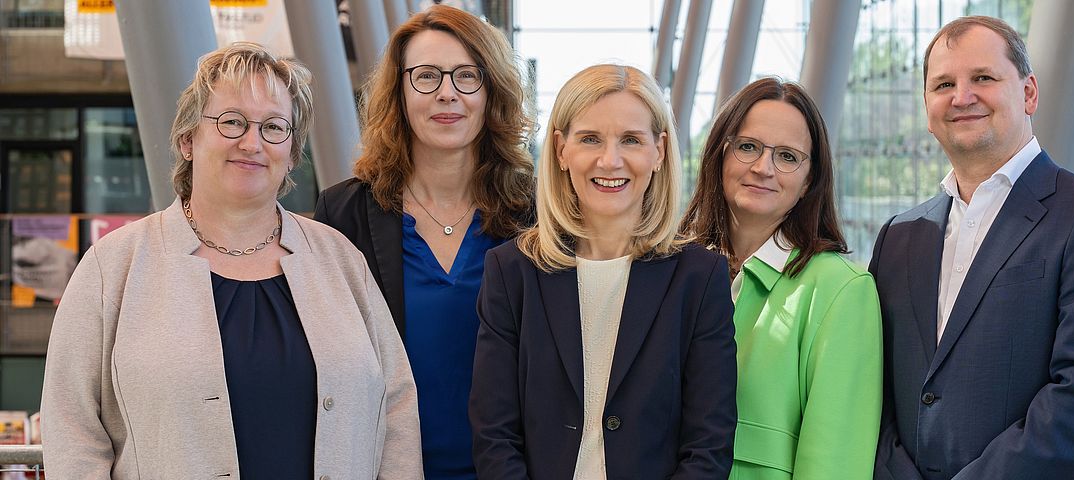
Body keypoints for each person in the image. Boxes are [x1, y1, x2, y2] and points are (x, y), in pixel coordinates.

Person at [40, 43, 423, 479]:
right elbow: (72, 429)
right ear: (187, 140)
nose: (252, 143)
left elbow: (396, 408)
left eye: (274, 127)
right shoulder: (113, 267)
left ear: (292, 154)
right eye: (232, 122)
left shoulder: (340, 260)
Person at [870, 16, 1074, 479]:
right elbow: (873, 393)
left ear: (1029, 93)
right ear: (927, 107)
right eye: (943, 84)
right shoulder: (898, 237)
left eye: (983, 78)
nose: (962, 96)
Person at [469, 64, 737, 479]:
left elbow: (708, 445)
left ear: (659, 151)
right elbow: (494, 436)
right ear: (561, 149)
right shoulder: (511, 271)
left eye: (631, 140)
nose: (610, 161)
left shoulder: (699, 278)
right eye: (590, 138)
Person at [312, 6, 534, 479]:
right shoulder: (345, 214)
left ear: (491, 91)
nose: (447, 93)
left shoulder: (535, 215)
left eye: (466, 76)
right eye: (427, 76)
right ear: (399, 92)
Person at [680, 77, 882, 479]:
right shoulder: (675, 271)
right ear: (720, 154)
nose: (763, 168)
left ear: (809, 181)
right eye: (748, 147)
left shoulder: (840, 290)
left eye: (787, 156)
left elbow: (834, 466)